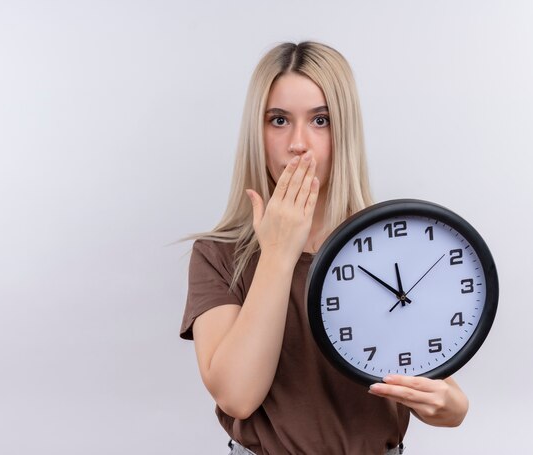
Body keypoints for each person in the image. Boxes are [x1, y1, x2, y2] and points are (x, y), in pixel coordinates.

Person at [179, 42, 469, 455]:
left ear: (344, 130)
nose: (299, 143)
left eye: (320, 120)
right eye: (278, 120)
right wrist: (279, 253)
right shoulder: (218, 255)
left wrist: (451, 405)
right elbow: (238, 396)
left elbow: (433, 378)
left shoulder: (390, 243)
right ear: (255, 133)